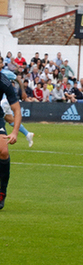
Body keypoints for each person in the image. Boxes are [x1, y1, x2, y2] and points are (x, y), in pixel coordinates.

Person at [0, 69, 22, 210]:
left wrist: (14, 132)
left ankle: (2, 192)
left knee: (3, 151)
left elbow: (17, 110)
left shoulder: (3, 81)